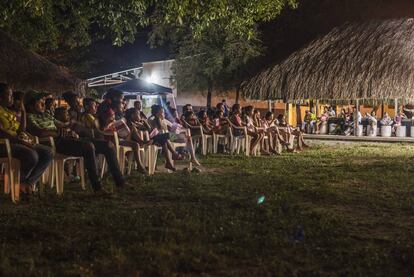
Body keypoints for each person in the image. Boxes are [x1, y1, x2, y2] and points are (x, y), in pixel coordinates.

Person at [25, 91, 126, 193]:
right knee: (88, 146)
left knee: (108, 145)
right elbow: (38, 132)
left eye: (43, 101)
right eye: (39, 101)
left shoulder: (47, 116)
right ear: (30, 106)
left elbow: (63, 125)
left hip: (68, 138)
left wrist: (71, 127)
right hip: (55, 143)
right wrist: (58, 133)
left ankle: (120, 182)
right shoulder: (29, 117)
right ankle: (97, 187)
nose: (43, 104)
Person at [0, 85, 53, 195]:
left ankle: (26, 183)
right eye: (9, 95)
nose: (12, 98)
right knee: (31, 155)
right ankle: (19, 185)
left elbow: (21, 131)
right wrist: (20, 142)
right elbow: (1, 132)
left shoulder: (7, 111)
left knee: (48, 153)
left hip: (15, 143)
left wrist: (23, 111)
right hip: (3, 144)